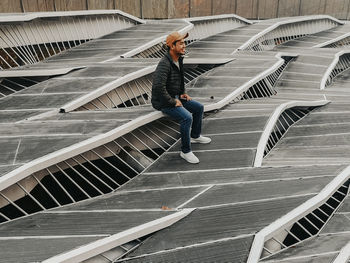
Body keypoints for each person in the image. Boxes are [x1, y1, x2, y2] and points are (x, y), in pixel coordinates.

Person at [151, 31, 211, 164]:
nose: (185, 46)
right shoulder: (164, 64)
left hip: (176, 96)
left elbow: (180, 79)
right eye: (181, 43)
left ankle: (195, 136)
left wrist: (183, 92)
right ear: (172, 46)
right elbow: (158, 88)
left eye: (184, 43)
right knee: (186, 117)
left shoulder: (179, 59)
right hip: (163, 101)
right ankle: (185, 151)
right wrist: (173, 102)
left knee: (199, 108)